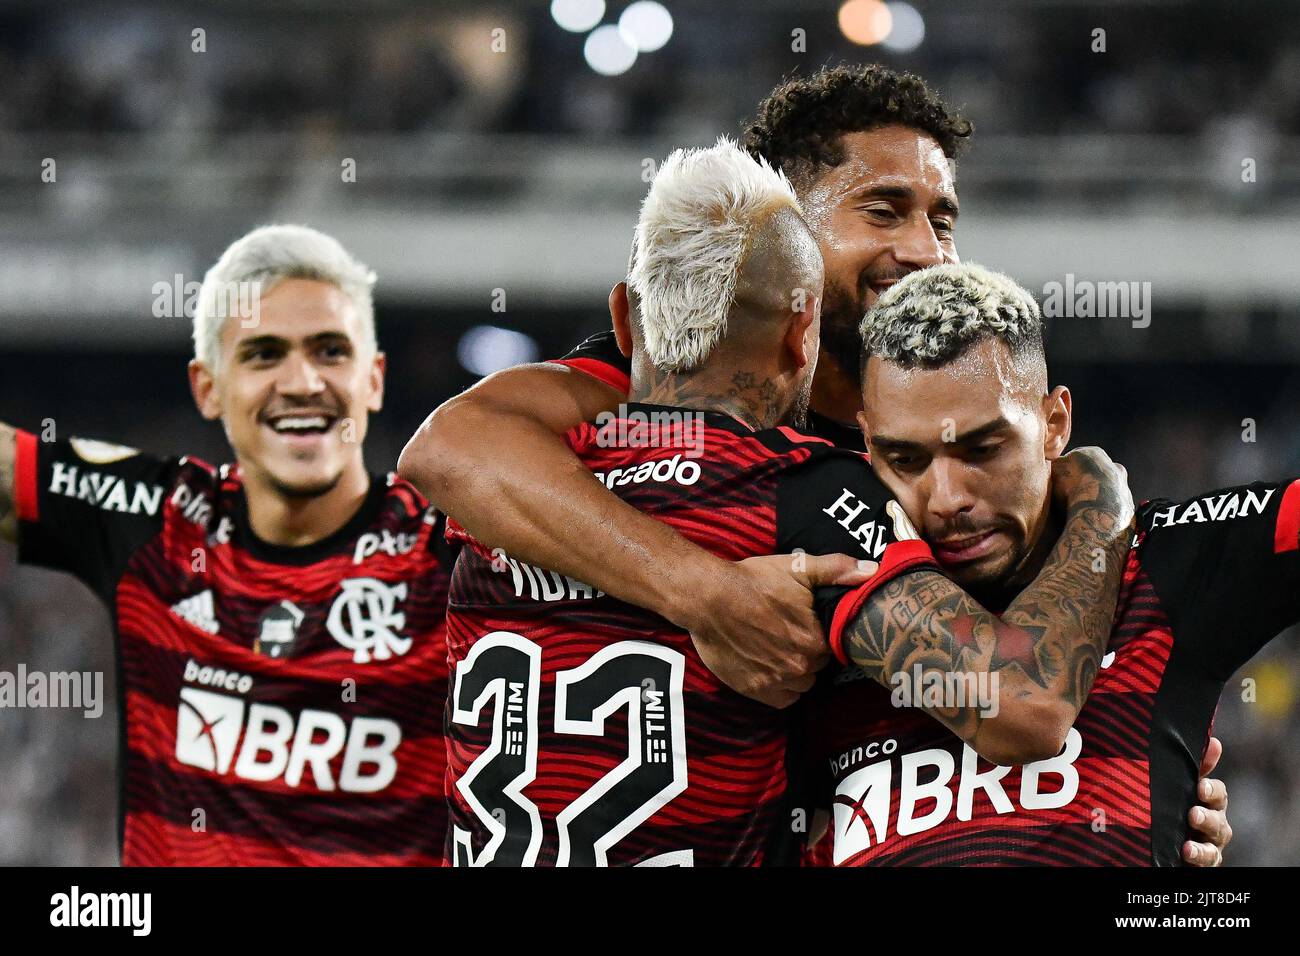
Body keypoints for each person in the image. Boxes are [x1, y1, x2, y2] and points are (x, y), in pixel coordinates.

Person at [400, 64, 1231, 864]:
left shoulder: (967, 419)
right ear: (786, 226)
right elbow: (451, 447)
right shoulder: (662, 389)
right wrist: (707, 592)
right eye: (885, 211)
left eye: (942, 219)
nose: (926, 252)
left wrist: (1139, 781)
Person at [804, 261, 1293, 865]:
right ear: (868, 445)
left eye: (983, 449)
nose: (948, 499)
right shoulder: (824, 584)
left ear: (1054, 424)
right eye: (906, 460)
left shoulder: (1165, 560)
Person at [0, 225, 452, 864]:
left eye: (329, 351)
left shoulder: (450, 551)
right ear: (207, 386)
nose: (301, 383)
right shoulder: (156, 520)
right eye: (264, 355)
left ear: (373, 379)